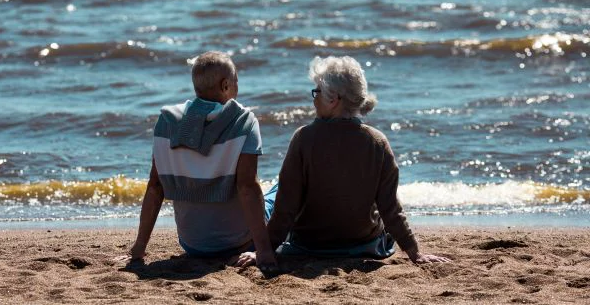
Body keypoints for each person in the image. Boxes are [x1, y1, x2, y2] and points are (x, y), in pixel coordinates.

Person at [238, 56, 449, 267]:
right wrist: (414, 252)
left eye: (317, 92)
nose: (314, 98)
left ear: (333, 99)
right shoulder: (377, 142)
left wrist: (265, 250)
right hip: (364, 244)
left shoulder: (304, 138)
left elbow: (286, 208)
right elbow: (390, 208)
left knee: (274, 194)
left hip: (310, 245)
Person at [126, 51, 276, 267]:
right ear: (226, 85)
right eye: (236, 82)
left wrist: (138, 249)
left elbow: (155, 187)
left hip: (192, 243)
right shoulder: (243, 121)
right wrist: (263, 251)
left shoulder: (168, 122)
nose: (237, 87)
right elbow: (247, 188)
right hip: (240, 242)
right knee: (281, 188)